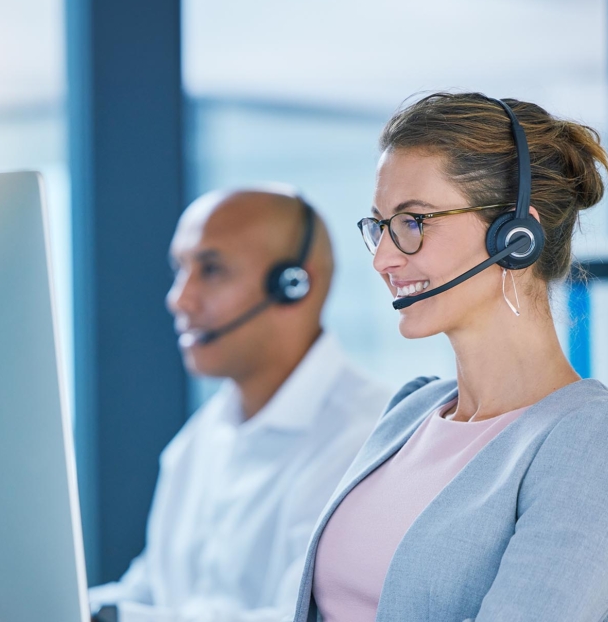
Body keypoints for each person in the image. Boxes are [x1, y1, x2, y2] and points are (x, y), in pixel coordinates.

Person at [291, 93, 608, 622]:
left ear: (516, 238)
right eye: (379, 225)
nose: (382, 257)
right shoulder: (411, 410)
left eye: (414, 222)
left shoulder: (599, 440)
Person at [89, 187, 392, 622]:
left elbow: (307, 616)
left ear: (294, 285)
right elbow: (150, 592)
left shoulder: (366, 440)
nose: (179, 298)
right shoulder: (200, 438)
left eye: (211, 270)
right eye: (180, 269)